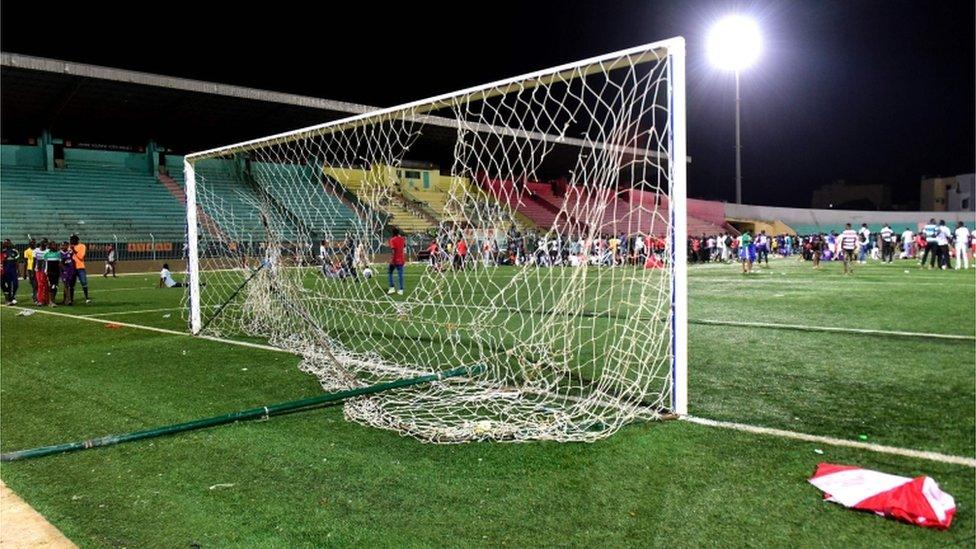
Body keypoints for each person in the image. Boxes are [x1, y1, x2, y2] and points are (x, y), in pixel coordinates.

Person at [70, 235, 91, 303]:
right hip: (72, 268)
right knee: (71, 284)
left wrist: (73, 250)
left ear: (77, 240)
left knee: (84, 282)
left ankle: (87, 298)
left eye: (72, 240)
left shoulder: (82, 246)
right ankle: (71, 299)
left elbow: (81, 257)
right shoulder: (69, 247)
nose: (71, 241)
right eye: (70, 240)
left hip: (80, 267)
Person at [387, 228, 406, 295]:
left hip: (395, 259)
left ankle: (392, 288)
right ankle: (401, 289)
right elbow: (404, 246)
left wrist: (392, 260)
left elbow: (393, 250)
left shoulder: (392, 240)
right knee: (400, 275)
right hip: (401, 259)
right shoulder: (402, 239)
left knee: (390, 272)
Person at [1, 239, 19, 305]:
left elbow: (17, 261)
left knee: (16, 284)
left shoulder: (15, 251)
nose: (7, 244)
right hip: (6, 271)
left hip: (13, 271)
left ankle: (13, 296)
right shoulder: (3, 252)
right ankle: (11, 298)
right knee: (8, 285)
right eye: (5, 243)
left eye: (8, 242)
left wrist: (18, 270)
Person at [44, 240, 61, 305]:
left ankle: (53, 300)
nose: (55, 246)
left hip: (57, 272)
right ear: (50, 246)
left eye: (55, 245)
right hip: (50, 272)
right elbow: (45, 264)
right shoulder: (47, 254)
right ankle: (51, 301)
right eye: (53, 245)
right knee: (52, 286)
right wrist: (46, 271)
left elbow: (60, 263)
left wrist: (62, 271)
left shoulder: (58, 253)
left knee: (56, 286)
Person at [23, 238, 36, 303]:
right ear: (29, 243)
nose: (32, 243)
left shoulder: (37, 250)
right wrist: (24, 273)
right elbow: (25, 262)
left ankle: (35, 297)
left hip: (37, 269)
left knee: (35, 284)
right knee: (33, 283)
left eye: (33, 242)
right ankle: (35, 296)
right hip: (30, 269)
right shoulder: (26, 251)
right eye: (31, 242)